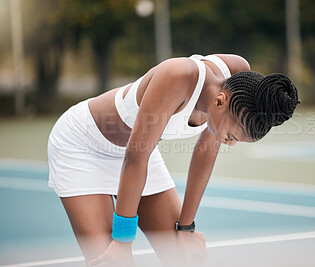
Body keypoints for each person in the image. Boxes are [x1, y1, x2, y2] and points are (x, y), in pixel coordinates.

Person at [47, 54, 300, 266]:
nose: (230, 144)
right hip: (84, 144)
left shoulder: (237, 76)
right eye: (232, 136)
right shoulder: (177, 75)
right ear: (220, 101)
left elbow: (206, 150)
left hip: (138, 149)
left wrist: (186, 228)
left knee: (184, 257)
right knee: (114, 262)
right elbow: (136, 158)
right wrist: (123, 240)